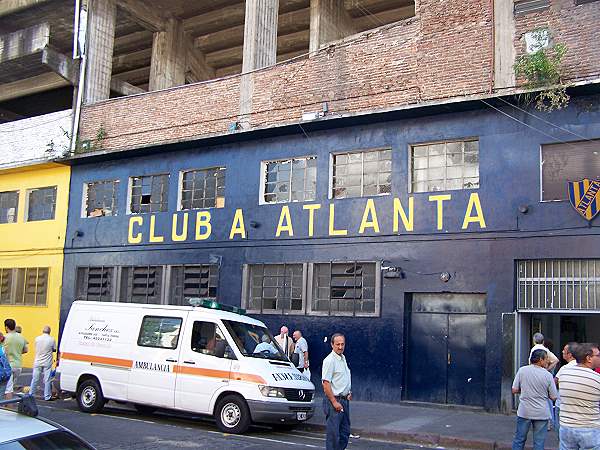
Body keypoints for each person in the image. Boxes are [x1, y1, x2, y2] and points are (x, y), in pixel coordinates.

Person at [511, 349, 558, 450]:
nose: (547, 362)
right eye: (546, 359)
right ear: (541, 360)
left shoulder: (522, 370)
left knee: (519, 439)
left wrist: (525, 391)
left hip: (525, 411)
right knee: (539, 443)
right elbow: (554, 396)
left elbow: (514, 390)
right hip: (541, 412)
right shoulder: (548, 375)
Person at [558, 342, 600, 449]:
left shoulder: (564, 373)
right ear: (588, 358)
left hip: (566, 426)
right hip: (589, 428)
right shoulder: (596, 379)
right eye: (598, 355)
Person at [322, 333, 352, 450]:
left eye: (342, 344)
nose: (340, 347)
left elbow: (341, 378)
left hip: (344, 401)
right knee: (334, 436)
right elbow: (326, 383)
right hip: (334, 401)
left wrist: (348, 392)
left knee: (345, 432)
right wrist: (334, 402)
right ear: (332, 345)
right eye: (337, 344)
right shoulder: (329, 361)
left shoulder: (342, 358)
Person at [554, 342, 579, 435]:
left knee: (561, 433)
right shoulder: (585, 368)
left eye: (564, 350)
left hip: (562, 405)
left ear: (570, 355)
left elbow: (553, 383)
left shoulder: (564, 369)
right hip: (578, 406)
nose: (562, 351)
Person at [29, 325, 57, 401]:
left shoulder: (37, 339)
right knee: (47, 379)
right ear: (49, 332)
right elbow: (54, 349)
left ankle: (31, 394)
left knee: (35, 378)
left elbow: (36, 347)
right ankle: (47, 396)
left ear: (43, 331)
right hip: (47, 361)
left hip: (38, 361)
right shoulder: (52, 339)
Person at [3, 319, 28, 399]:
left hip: (8, 366)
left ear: (6, 327)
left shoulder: (5, 338)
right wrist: (16, 352)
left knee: (8, 389)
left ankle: (8, 407)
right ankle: (8, 405)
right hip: (18, 366)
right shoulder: (21, 337)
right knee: (11, 387)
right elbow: (25, 350)